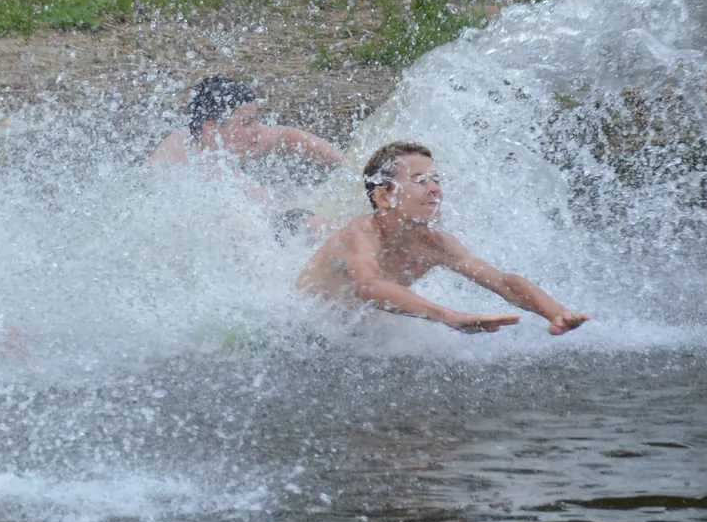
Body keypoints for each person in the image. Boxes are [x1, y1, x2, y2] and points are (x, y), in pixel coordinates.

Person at [296, 141, 588, 335]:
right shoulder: (360, 233)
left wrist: (555, 311)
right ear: (384, 196)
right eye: (421, 181)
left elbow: (503, 282)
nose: (435, 189)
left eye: (436, 180)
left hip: (353, 328)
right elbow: (370, 287)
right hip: (305, 328)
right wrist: (448, 316)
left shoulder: (436, 244)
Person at [149, 75, 346, 172]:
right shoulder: (186, 166)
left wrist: (345, 165)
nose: (258, 129)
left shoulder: (227, 138)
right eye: (246, 123)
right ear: (212, 128)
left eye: (255, 120)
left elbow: (288, 136)